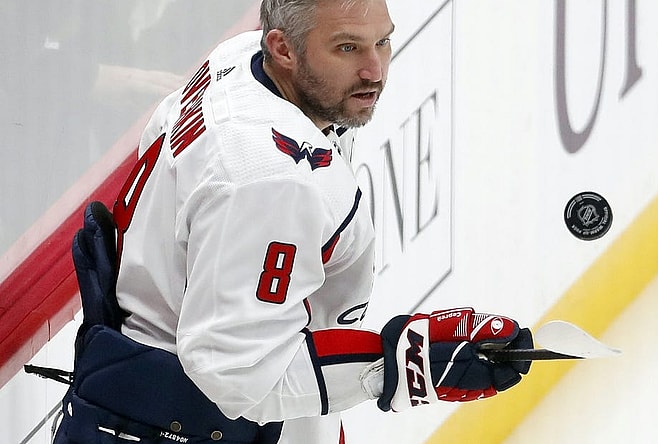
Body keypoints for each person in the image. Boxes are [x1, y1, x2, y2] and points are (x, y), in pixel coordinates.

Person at [52, 1, 534, 443]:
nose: (375, 70)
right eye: (347, 47)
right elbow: (235, 373)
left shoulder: (242, 60)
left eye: (382, 41)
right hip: (186, 422)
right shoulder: (269, 181)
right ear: (283, 47)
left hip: (154, 395)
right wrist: (404, 362)